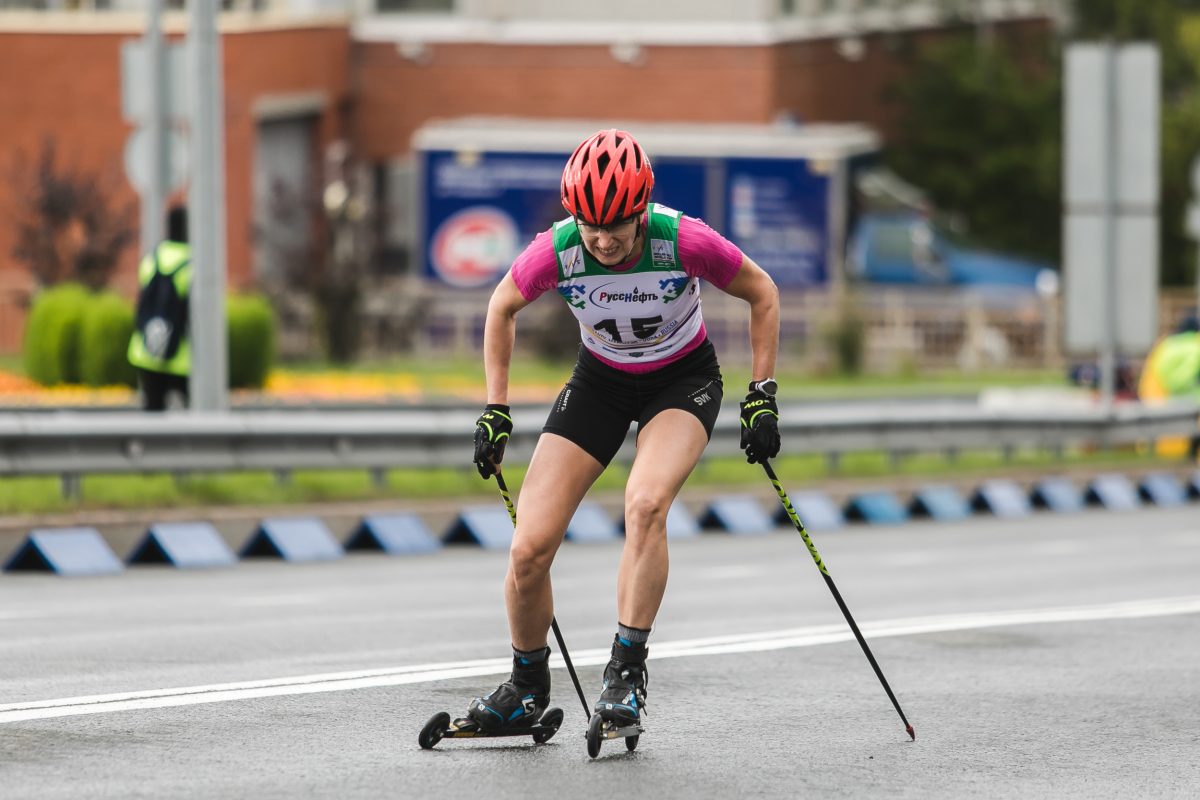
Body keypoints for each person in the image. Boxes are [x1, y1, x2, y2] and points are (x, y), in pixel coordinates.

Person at [462, 129, 781, 734]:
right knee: (529, 548)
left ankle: (626, 675)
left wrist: (761, 394)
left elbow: (762, 292)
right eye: (591, 228)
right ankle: (526, 688)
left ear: (641, 212)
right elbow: (501, 307)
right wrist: (495, 408)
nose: (604, 241)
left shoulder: (682, 240)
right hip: (599, 382)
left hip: (681, 381)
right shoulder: (557, 251)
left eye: (617, 227)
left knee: (645, 504)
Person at [127, 206, 191, 411]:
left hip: (146, 351)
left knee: (152, 415)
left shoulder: (152, 258)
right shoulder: (193, 262)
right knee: (197, 419)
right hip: (182, 357)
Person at [1137, 312, 1200, 459]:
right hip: (1190, 400)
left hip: (1156, 398)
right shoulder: (1195, 346)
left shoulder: (1165, 345)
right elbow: (1185, 378)